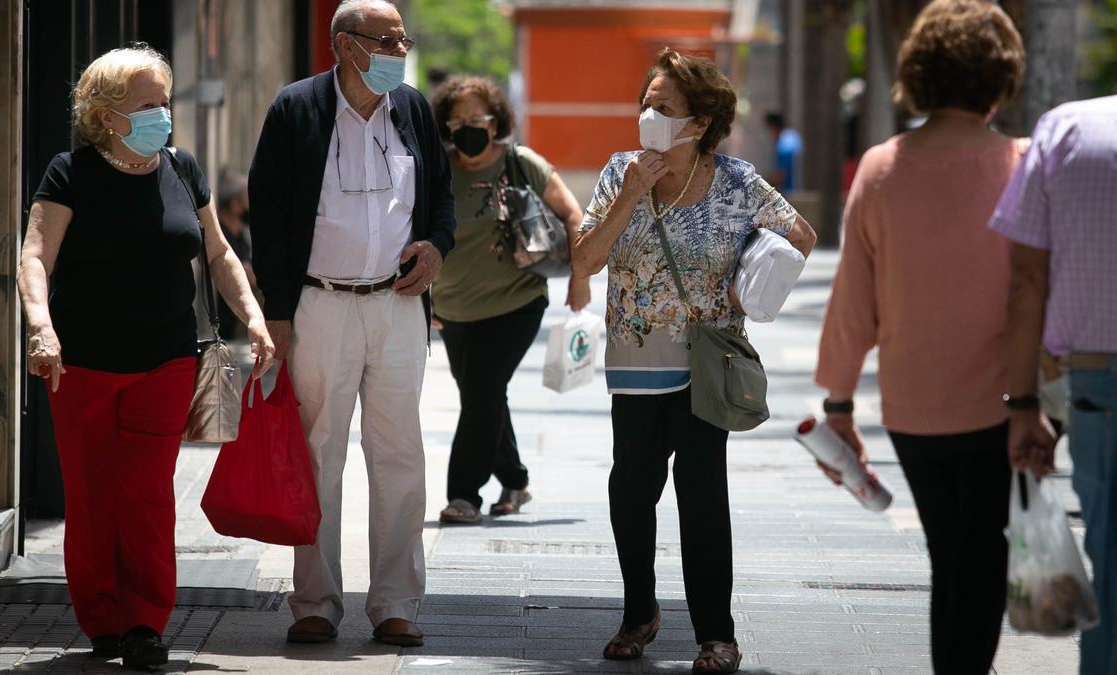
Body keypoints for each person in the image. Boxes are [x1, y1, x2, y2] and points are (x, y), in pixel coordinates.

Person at [18, 45, 274, 668]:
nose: (163, 114)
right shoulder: (69, 172)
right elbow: (34, 257)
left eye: (165, 101)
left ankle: (145, 623)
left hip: (166, 359)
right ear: (109, 115)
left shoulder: (182, 168)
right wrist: (41, 329)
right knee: (91, 494)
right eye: (148, 104)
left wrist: (255, 318)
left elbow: (217, 253)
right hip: (83, 365)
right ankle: (101, 617)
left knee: (149, 496)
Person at [573, 49, 816, 673]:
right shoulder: (619, 172)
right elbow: (586, 258)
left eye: (665, 108)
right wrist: (629, 193)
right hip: (633, 363)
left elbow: (800, 236)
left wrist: (747, 287)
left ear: (700, 122)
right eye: (646, 105)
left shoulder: (736, 183)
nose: (649, 116)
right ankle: (639, 613)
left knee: (701, 495)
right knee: (631, 492)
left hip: (705, 365)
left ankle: (716, 634)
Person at [813, 2, 1025, 673]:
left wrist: (840, 406)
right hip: (1004, 402)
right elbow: (1037, 290)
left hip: (912, 407)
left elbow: (853, 302)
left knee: (950, 552)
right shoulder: (1023, 164)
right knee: (983, 553)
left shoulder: (879, 168)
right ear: (1000, 76)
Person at [247, 0, 455, 648]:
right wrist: (275, 315)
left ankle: (396, 602)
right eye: (385, 40)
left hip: (396, 307)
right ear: (344, 45)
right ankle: (314, 601)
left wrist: (436, 246)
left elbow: (442, 197)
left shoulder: (414, 109)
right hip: (319, 305)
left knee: (399, 455)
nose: (399, 50)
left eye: (402, 39)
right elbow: (269, 214)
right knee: (317, 454)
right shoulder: (295, 108)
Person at [991, 94, 1117, 675]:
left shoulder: (1071, 128)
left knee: (1112, 565)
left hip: (1101, 381)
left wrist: (1023, 405)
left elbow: (1025, 279)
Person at [429, 76, 589, 524]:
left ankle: (464, 495)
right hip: (453, 308)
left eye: (476, 118)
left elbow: (572, 215)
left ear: (496, 119)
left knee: (480, 393)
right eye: (457, 120)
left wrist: (581, 280)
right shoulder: (436, 168)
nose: (467, 128)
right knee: (485, 396)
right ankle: (516, 481)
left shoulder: (521, 163)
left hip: (516, 303)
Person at [215, 172, 254, 340]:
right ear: (235, 204)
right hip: (226, 314)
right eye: (247, 200)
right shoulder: (219, 234)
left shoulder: (240, 233)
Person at [763, 111, 802, 193]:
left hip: (789, 194)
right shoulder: (792, 136)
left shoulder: (784, 146)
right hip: (798, 190)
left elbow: (780, 175)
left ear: (773, 127)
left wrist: (761, 186)